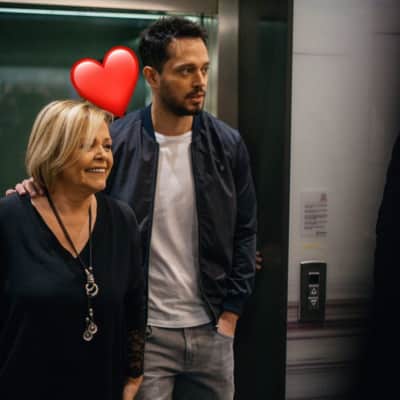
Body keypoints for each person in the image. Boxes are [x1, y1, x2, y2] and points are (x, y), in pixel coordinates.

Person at [12, 16, 257, 400]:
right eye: (186, 70)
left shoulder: (227, 145)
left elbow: (245, 230)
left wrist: (231, 315)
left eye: (204, 69)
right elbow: (75, 190)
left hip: (212, 331)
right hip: (147, 332)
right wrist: (39, 184)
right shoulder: (118, 141)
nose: (200, 81)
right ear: (152, 76)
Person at [0, 100, 145, 400]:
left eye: (106, 145)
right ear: (54, 151)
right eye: (88, 145)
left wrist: (134, 377)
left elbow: (134, 305)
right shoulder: (9, 219)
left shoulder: (122, 220)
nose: (102, 155)